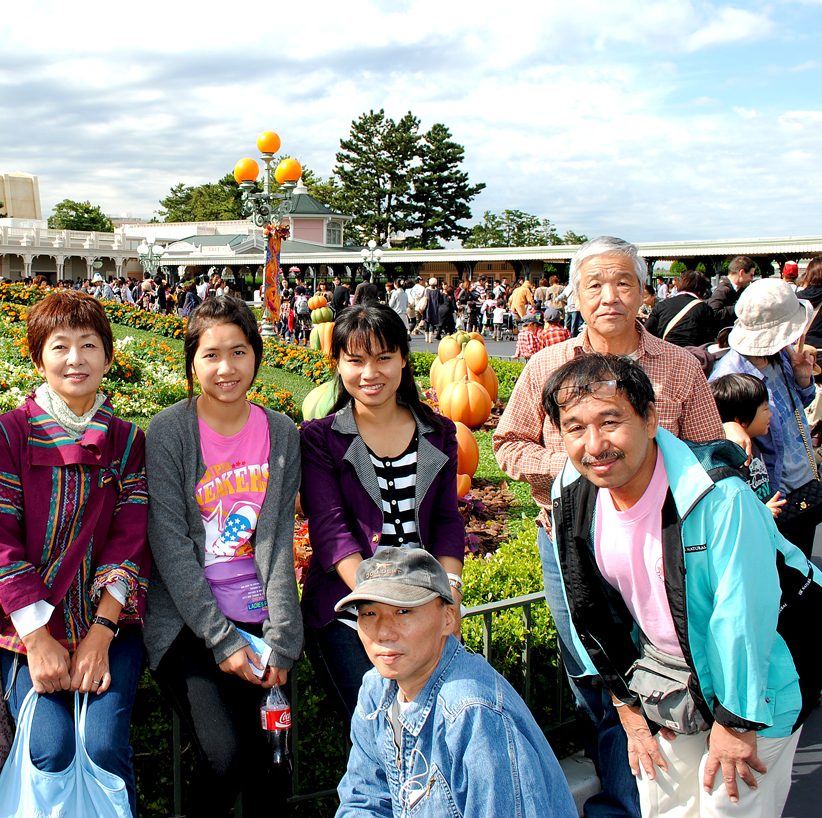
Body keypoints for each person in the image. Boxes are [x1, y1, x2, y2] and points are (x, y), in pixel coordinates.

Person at [494, 236, 725, 818]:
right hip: (570, 546)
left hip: (661, 548)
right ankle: (624, 799)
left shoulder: (679, 366)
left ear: (645, 292)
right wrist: (577, 466)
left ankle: (669, 792)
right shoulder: (547, 366)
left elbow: (711, 453)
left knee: (666, 667)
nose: (609, 296)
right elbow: (508, 444)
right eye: (594, 284)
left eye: (623, 282)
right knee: (596, 673)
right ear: (575, 295)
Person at [542, 353, 816, 818]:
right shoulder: (572, 491)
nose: (595, 444)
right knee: (666, 806)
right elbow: (587, 607)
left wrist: (737, 722)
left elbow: (744, 616)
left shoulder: (717, 496)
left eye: (611, 421)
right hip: (669, 678)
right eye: (575, 428)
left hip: (757, 682)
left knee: (730, 807)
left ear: (650, 419)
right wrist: (627, 705)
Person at [0, 290, 150, 806]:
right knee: (50, 749)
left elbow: (131, 537)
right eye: (60, 346)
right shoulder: (7, 435)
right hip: (26, 627)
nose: (75, 359)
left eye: (89, 345)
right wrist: (37, 639)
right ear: (37, 358)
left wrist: (102, 632)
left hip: (107, 622)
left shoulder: (127, 441)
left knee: (104, 747)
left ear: (108, 357)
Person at [144, 295, 303, 818]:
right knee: (226, 758)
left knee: (272, 770)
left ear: (256, 355)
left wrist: (283, 638)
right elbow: (171, 545)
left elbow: (277, 542)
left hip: (258, 617)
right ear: (192, 362)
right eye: (211, 355)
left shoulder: (280, 432)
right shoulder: (169, 432)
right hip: (189, 623)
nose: (226, 368)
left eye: (238, 352)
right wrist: (222, 639)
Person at [298, 304, 465, 716]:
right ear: (338, 364)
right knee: (379, 727)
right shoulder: (321, 438)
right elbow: (331, 531)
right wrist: (380, 607)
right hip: (348, 607)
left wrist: (449, 596)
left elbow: (446, 520)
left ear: (404, 359)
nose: (369, 373)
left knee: (437, 722)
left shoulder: (438, 432)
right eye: (355, 360)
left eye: (383, 358)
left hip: (424, 603)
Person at [335, 548, 578, 818]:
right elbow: (364, 800)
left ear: (448, 618)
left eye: (403, 611)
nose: (383, 632)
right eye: (369, 614)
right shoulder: (376, 689)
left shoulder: (474, 714)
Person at [709, 279, 818, 554]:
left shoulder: (781, 355)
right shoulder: (731, 377)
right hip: (772, 497)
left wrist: (804, 380)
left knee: (803, 565)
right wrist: (727, 425)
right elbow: (714, 442)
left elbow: (797, 409)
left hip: (804, 481)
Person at [709, 373, 783, 518]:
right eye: (765, 409)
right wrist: (762, 512)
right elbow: (732, 509)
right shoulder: (729, 457)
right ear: (741, 418)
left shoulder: (754, 441)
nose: (770, 415)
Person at [646, 271, 718, 348]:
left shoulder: (661, 305)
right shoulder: (705, 309)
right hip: (691, 353)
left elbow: (647, 331)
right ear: (701, 291)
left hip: (665, 351)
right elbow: (708, 339)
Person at [709, 257, 756, 329]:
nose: (751, 279)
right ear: (742, 272)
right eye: (751, 275)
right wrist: (740, 307)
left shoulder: (739, 290)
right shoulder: (723, 290)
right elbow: (714, 313)